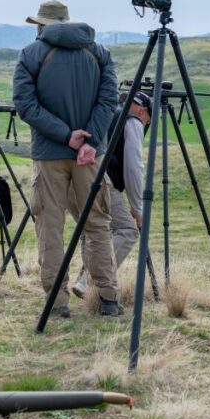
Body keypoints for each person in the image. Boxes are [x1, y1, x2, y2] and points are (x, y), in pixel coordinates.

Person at [13, 0, 120, 318]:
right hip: (90, 155)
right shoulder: (99, 53)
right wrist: (90, 140)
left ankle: (57, 302)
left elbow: (25, 104)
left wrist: (65, 135)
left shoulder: (31, 54)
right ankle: (108, 298)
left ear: (42, 25)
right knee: (97, 224)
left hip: (49, 154)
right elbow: (109, 100)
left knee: (50, 226)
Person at [72, 90, 151, 298]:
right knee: (127, 230)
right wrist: (137, 207)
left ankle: (87, 287)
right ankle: (90, 280)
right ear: (143, 112)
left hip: (73, 177)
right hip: (100, 179)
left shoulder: (106, 112)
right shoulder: (133, 122)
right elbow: (133, 167)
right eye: (148, 122)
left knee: (90, 231)